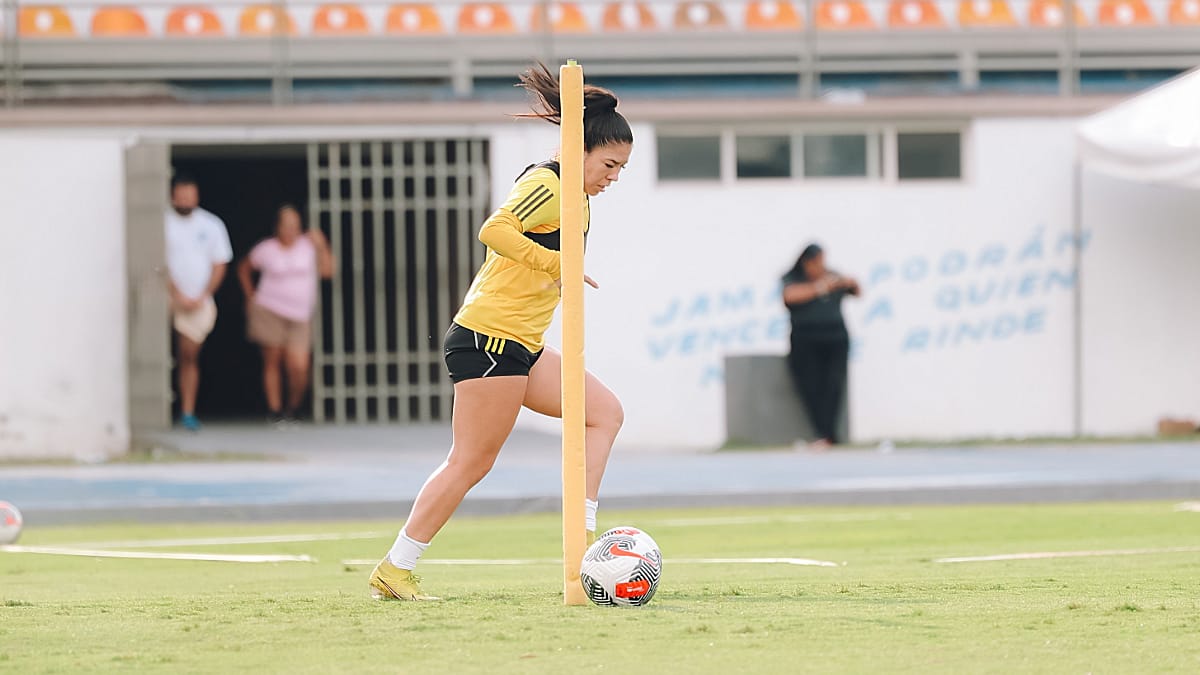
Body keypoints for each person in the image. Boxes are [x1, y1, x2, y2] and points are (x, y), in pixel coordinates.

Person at [368, 63, 632, 601]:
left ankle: (580, 535)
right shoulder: (548, 182)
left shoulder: (578, 195)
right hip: (487, 338)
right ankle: (395, 568)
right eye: (608, 164)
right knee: (471, 461)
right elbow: (494, 229)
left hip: (523, 344)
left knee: (605, 413)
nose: (613, 177)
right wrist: (554, 265)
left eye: (622, 168)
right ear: (579, 148)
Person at [237, 205, 335, 425]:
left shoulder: (309, 247)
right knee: (273, 360)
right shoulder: (266, 248)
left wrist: (322, 246)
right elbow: (244, 268)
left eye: (295, 226)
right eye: (286, 225)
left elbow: (328, 272)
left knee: (298, 365)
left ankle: (293, 407)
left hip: (300, 314)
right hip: (269, 309)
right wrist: (250, 296)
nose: (291, 230)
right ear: (277, 227)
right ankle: (275, 410)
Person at [165, 173, 233, 432]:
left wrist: (202, 295)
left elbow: (219, 263)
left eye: (189, 195)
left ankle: (187, 411)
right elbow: (155, 263)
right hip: (165, 298)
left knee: (188, 355)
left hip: (197, 301)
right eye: (180, 195)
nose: (185, 200)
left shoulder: (211, 224)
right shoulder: (160, 222)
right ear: (172, 196)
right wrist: (175, 293)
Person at [781, 243, 860, 449]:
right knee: (811, 385)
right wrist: (820, 287)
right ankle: (821, 433)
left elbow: (857, 291)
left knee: (833, 385)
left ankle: (830, 434)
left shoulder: (833, 276)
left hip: (834, 337)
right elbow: (789, 296)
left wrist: (845, 282)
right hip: (806, 339)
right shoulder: (794, 278)